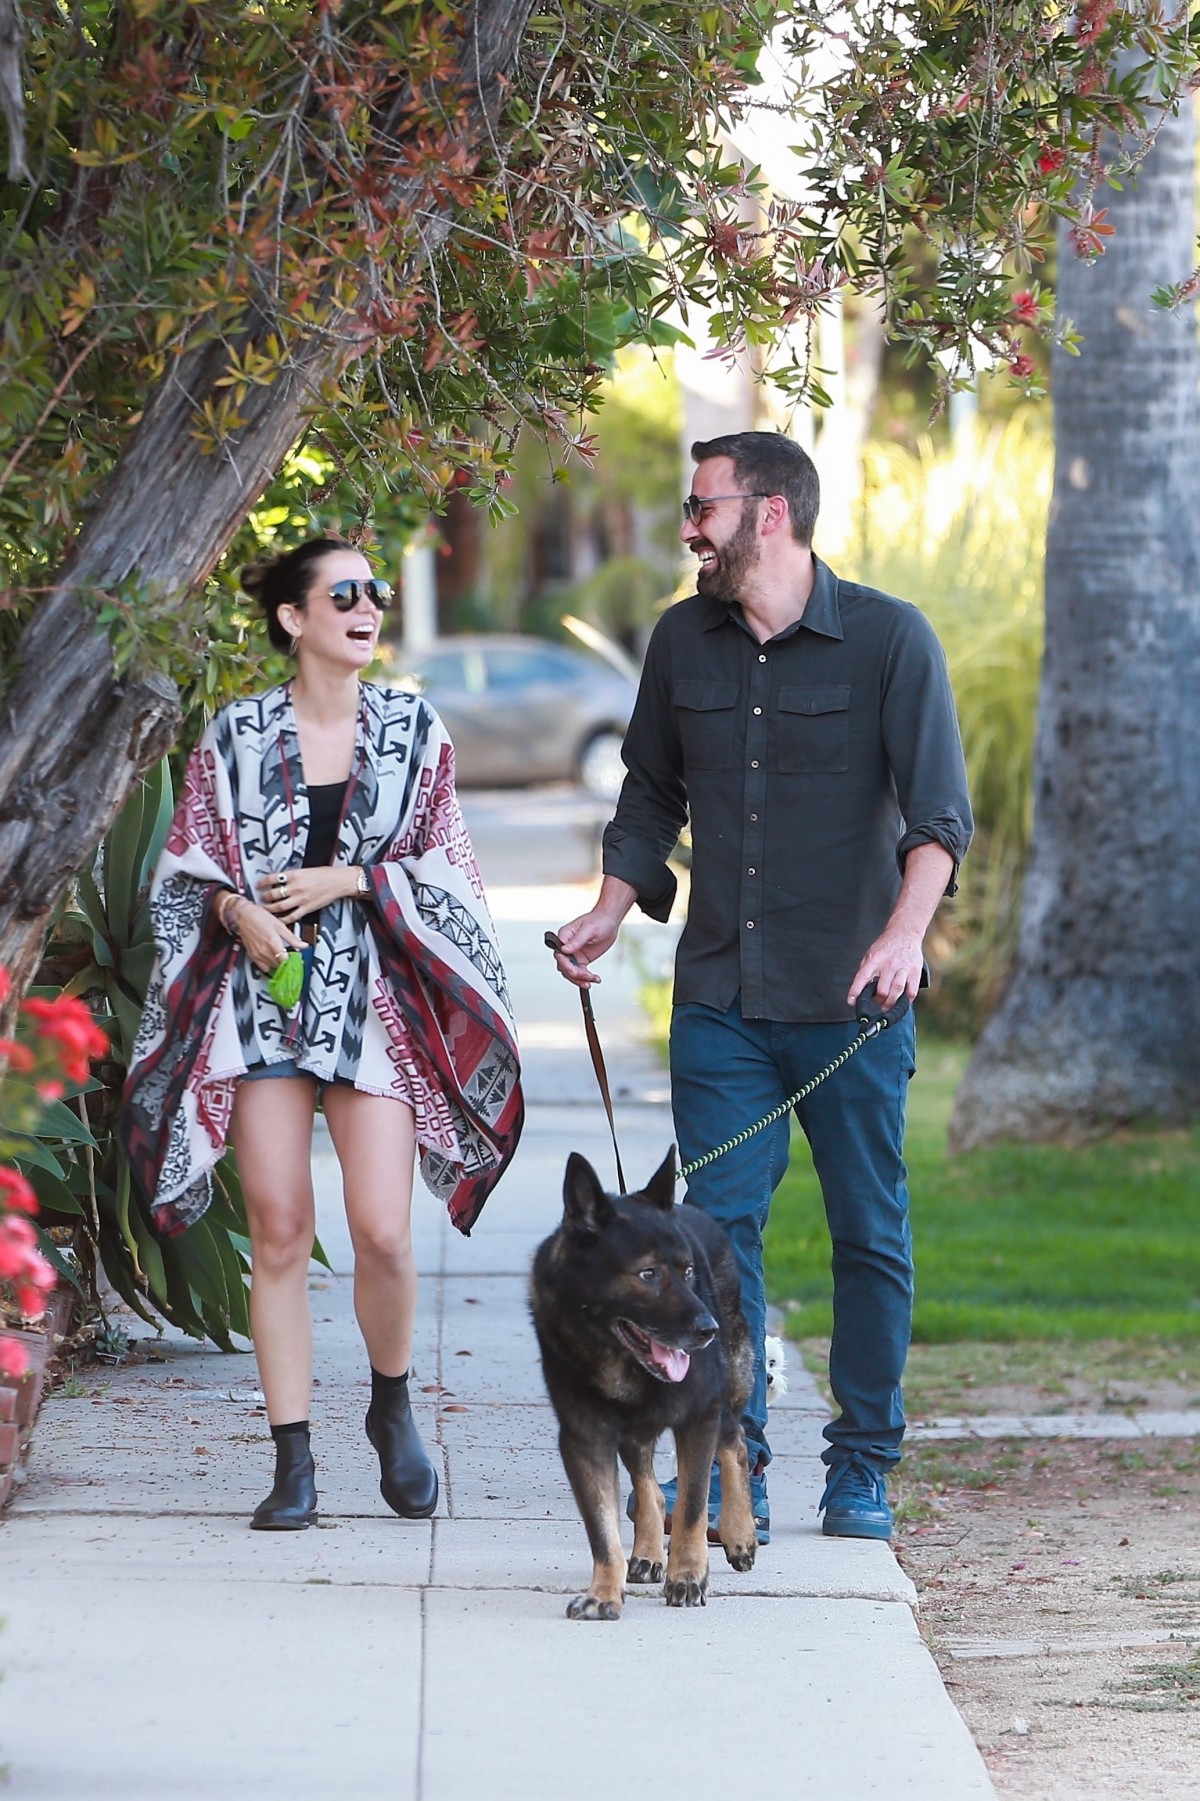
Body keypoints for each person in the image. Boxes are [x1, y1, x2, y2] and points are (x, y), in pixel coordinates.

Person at [553, 433, 972, 1542]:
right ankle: (740, 1457)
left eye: (704, 506)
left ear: (770, 512)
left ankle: (864, 1463)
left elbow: (938, 817)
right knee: (711, 1244)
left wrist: (904, 935)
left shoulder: (888, 639)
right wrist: (608, 906)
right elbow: (649, 796)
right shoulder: (682, 642)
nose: (689, 524)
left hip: (852, 1003)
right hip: (723, 999)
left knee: (867, 1231)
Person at [124, 537, 523, 1530]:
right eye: (344, 592)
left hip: (375, 1005)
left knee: (383, 1229)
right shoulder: (238, 734)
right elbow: (185, 870)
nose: (367, 605)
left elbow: (451, 872)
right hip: (260, 1004)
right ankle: (292, 1458)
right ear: (295, 618)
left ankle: (391, 1405)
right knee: (279, 1228)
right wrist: (235, 914)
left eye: (375, 591)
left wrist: (355, 878)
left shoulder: (415, 732)